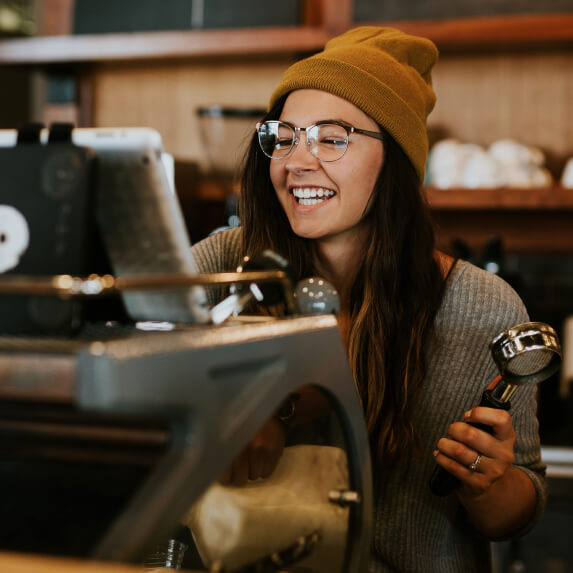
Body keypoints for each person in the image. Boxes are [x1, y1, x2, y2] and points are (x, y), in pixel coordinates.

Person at [190, 26, 546, 573]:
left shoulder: (480, 306)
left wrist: (489, 482)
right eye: (283, 136)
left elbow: (514, 515)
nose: (296, 161)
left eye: (332, 138)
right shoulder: (218, 268)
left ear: (396, 161)